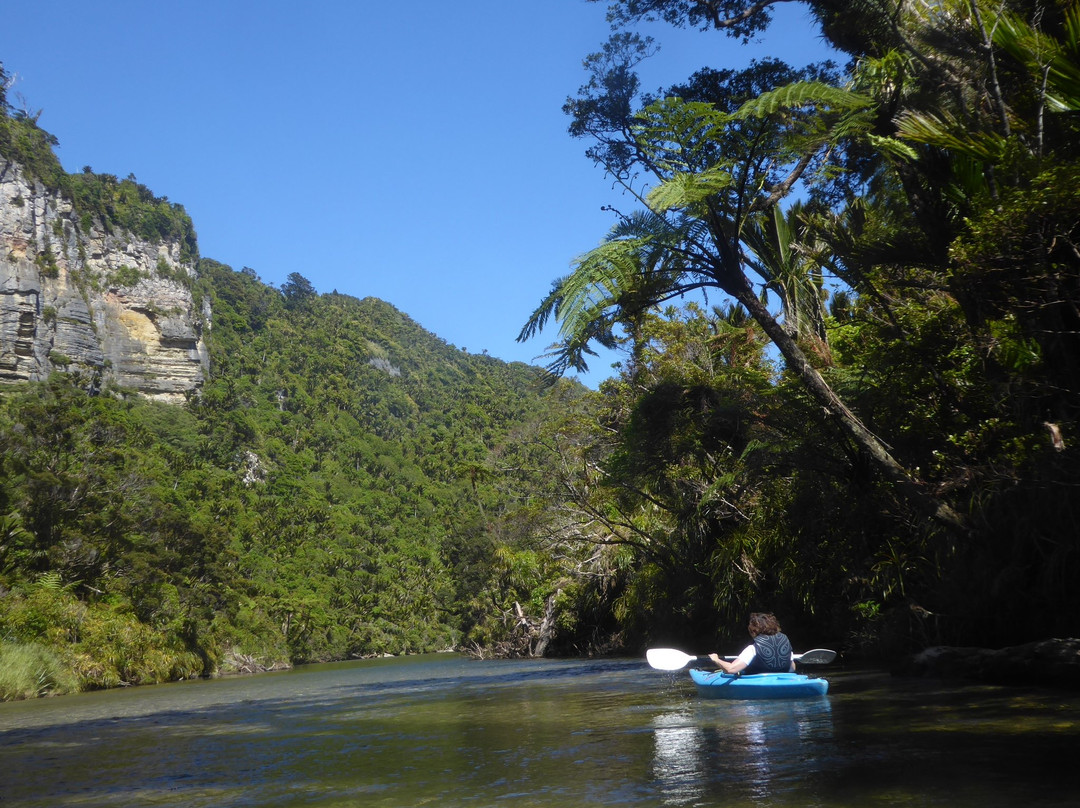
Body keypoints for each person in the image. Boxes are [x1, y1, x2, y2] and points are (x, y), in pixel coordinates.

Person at [708, 612, 795, 674]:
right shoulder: (785, 645)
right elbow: (792, 668)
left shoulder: (752, 649)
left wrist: (716, 659)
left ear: (753, 630)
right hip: (783, 682)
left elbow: (731, 669)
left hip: (759, 684)